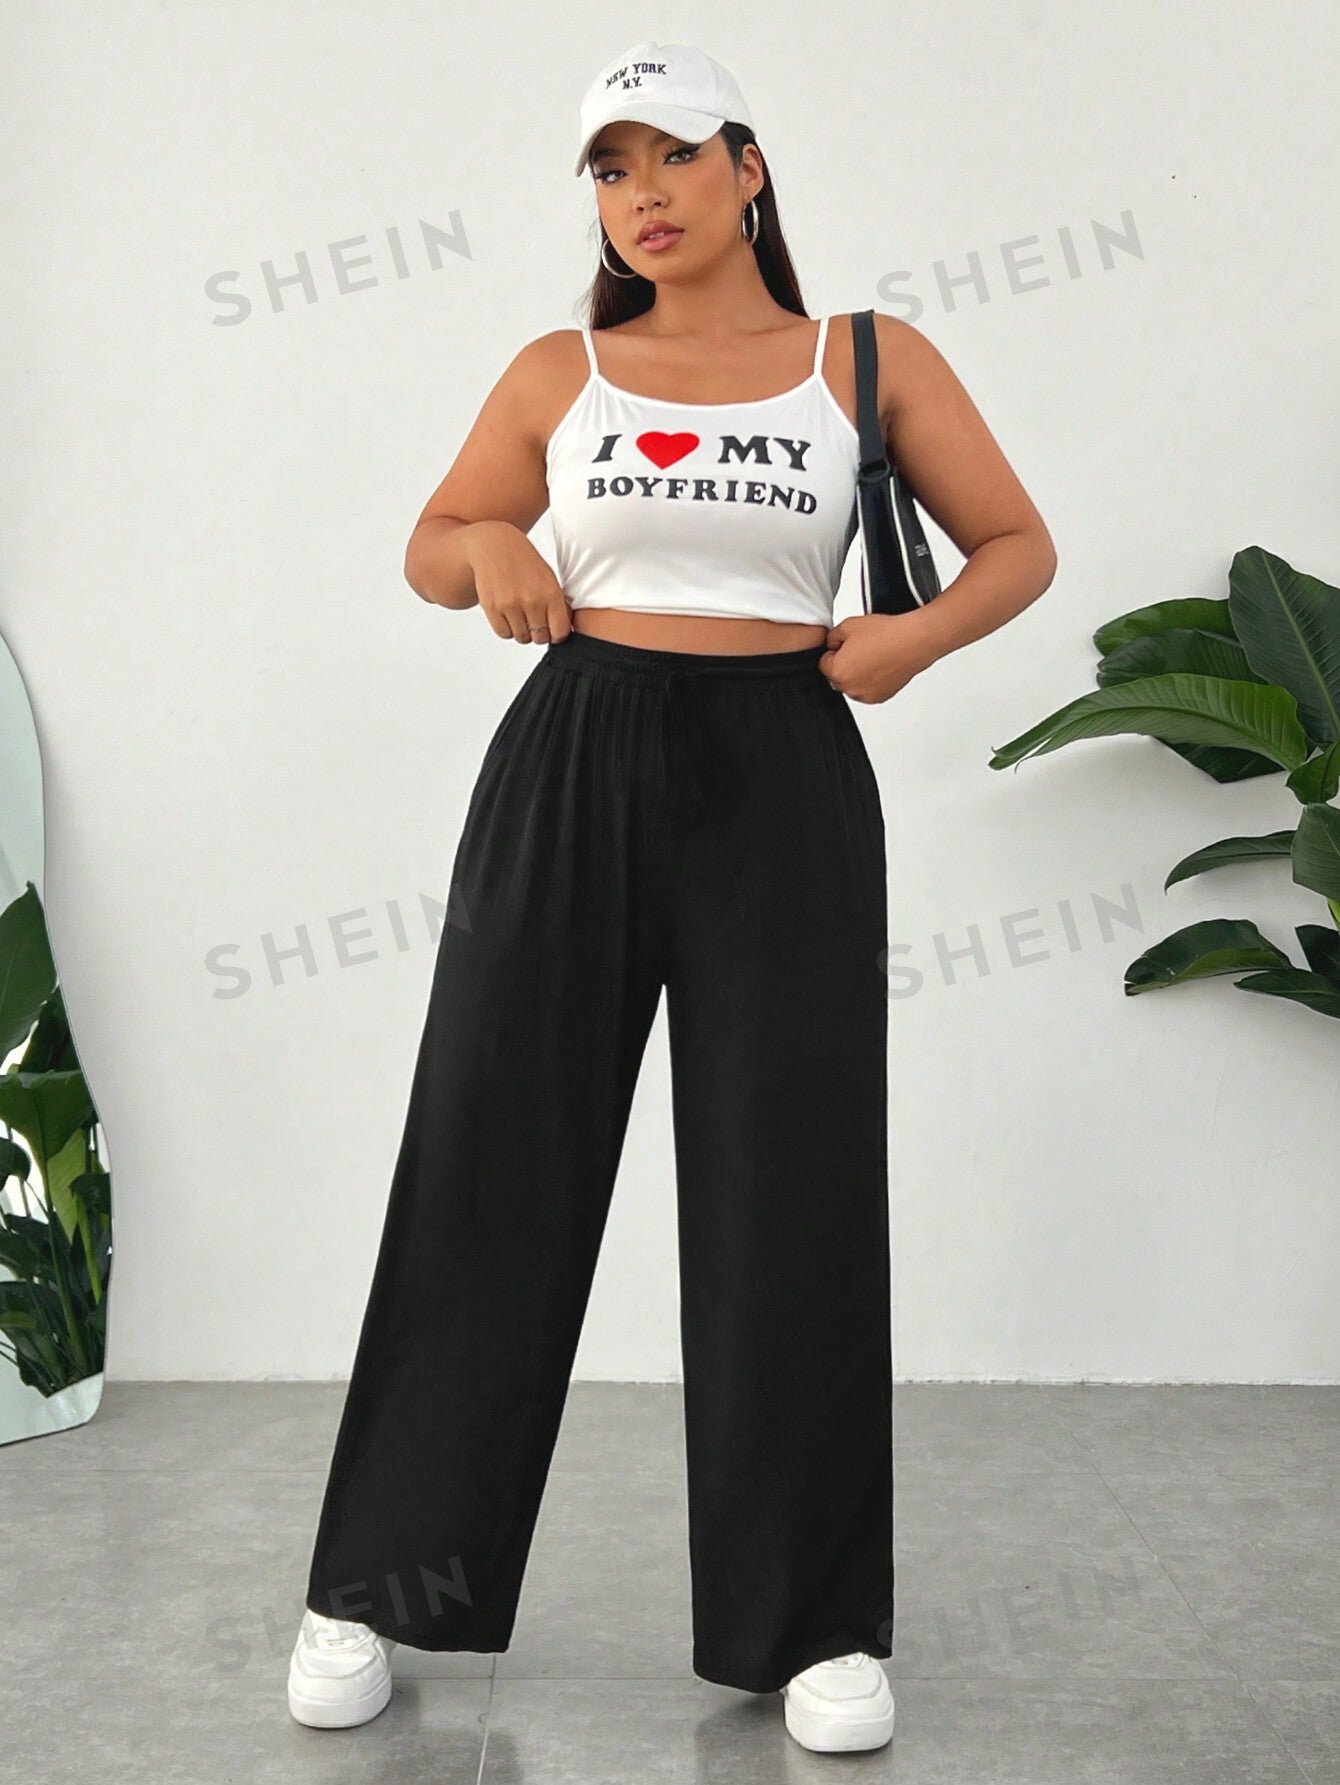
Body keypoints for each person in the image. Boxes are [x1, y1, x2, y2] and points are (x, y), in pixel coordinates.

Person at [286, 38, 1056, 1756]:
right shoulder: (559, 371)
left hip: (785, 767)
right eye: (612, 166)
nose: (643, 193)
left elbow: (1018, 544)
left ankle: (815, 1624)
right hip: (575, 758)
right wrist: (491, 546)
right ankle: (377, 1588)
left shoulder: (865, 359)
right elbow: (434, 541)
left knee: (791, 1177)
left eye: (676, 154)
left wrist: (912, 642)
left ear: (749, 169)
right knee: (488, 1156)